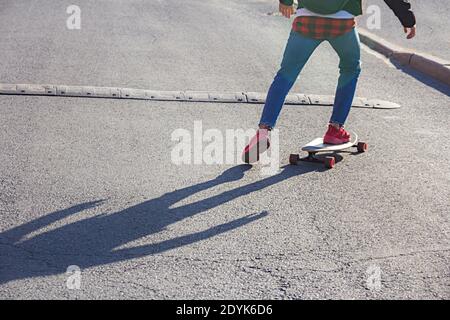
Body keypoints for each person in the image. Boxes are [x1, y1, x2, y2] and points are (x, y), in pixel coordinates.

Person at [242, 0, 416, 163]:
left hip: (306, 20)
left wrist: (286, 1)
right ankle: (335, 128)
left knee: (286, 74)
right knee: (350, 68)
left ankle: (264, 130)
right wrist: (407, 18)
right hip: (342, 23)